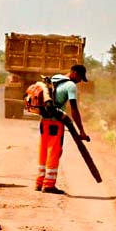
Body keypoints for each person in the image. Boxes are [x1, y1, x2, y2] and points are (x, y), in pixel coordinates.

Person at [36, 64, 91, 194]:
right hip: (56, 123)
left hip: (44, 121)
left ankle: (39, 182)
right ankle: (49, 185)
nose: (79, 81)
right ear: (75, 73)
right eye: (80, 78)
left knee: (43, 150)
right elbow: (74, 109)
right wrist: (81, 131)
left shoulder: (54, 79)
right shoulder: (71, 86)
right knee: (54, 152)